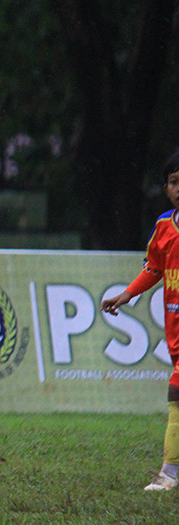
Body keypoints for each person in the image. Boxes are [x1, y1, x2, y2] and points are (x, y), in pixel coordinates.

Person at [102, 149, 179, 491]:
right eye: (175, 182)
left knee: (177, 394)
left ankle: (170, 474)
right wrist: (127, 294)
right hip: (175, 327)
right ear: (166, 189)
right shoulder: (164, 227)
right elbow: (154, 268)